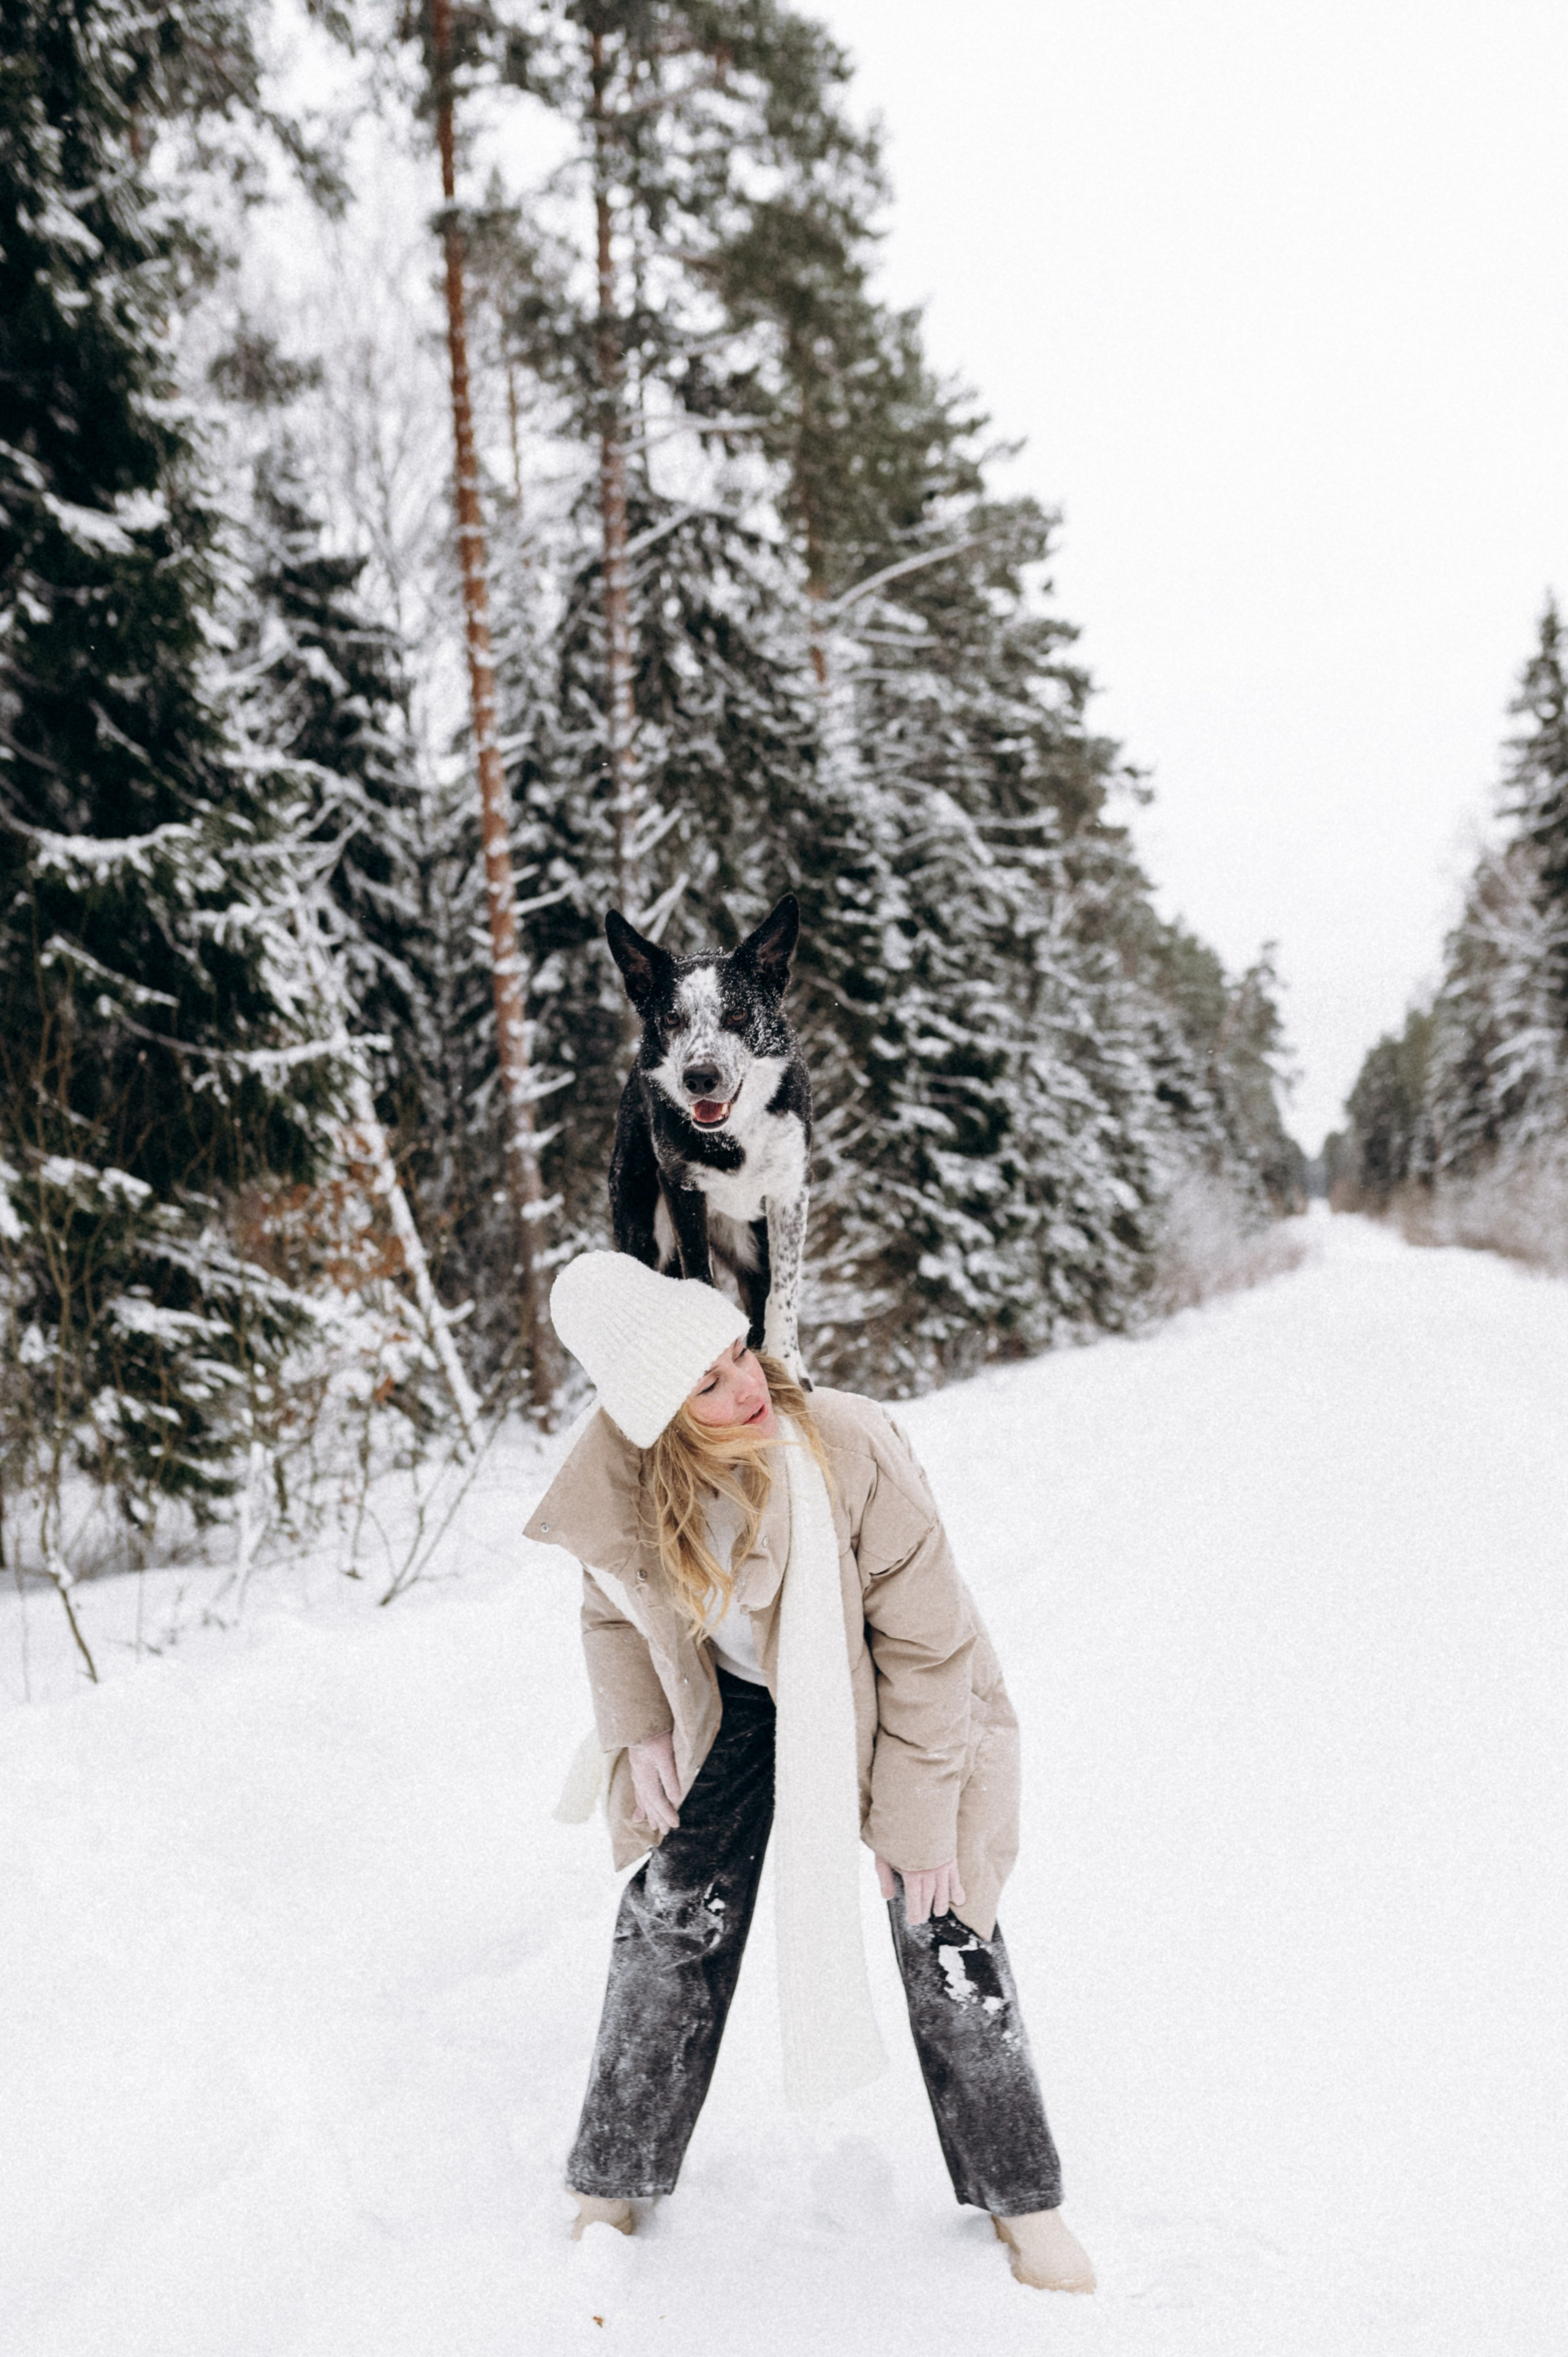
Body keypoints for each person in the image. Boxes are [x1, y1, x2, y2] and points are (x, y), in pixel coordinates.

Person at [525, 1250, 1096, 2295]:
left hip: (893, 1688)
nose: (750, 1385)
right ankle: (614, 2174)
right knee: (673, 1904)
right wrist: (642, 1723)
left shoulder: (846, 1445)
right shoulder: (622, 1473)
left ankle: (1026, 2200)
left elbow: (931, 1651)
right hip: (738, 1699)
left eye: (737, 1350)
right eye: (707, 1382)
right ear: (653, 1412)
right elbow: (611, 1604)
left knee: (944, 1909)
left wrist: (916, 1817)